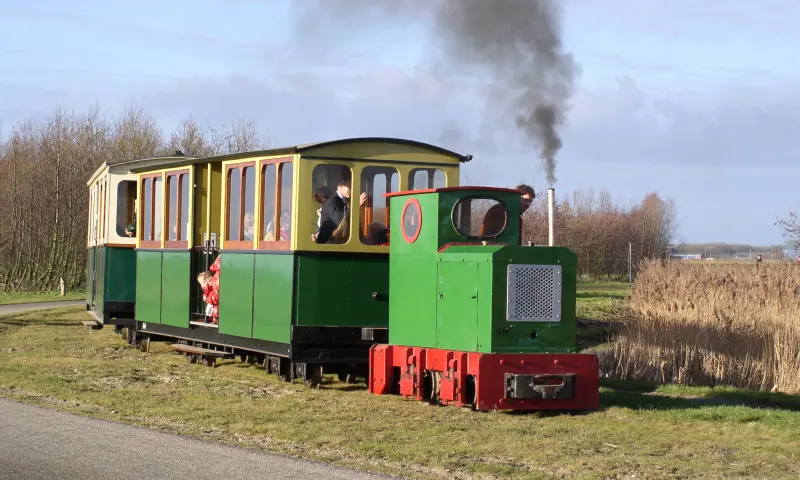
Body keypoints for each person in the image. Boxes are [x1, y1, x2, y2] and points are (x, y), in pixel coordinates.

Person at [315, 178, 366, 244]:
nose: (352, 189)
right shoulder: (332, 202)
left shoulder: (343, 202)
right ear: (340, 187)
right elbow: (341, 220)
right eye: (349, 186)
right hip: (329, 246)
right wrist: (356, 205)